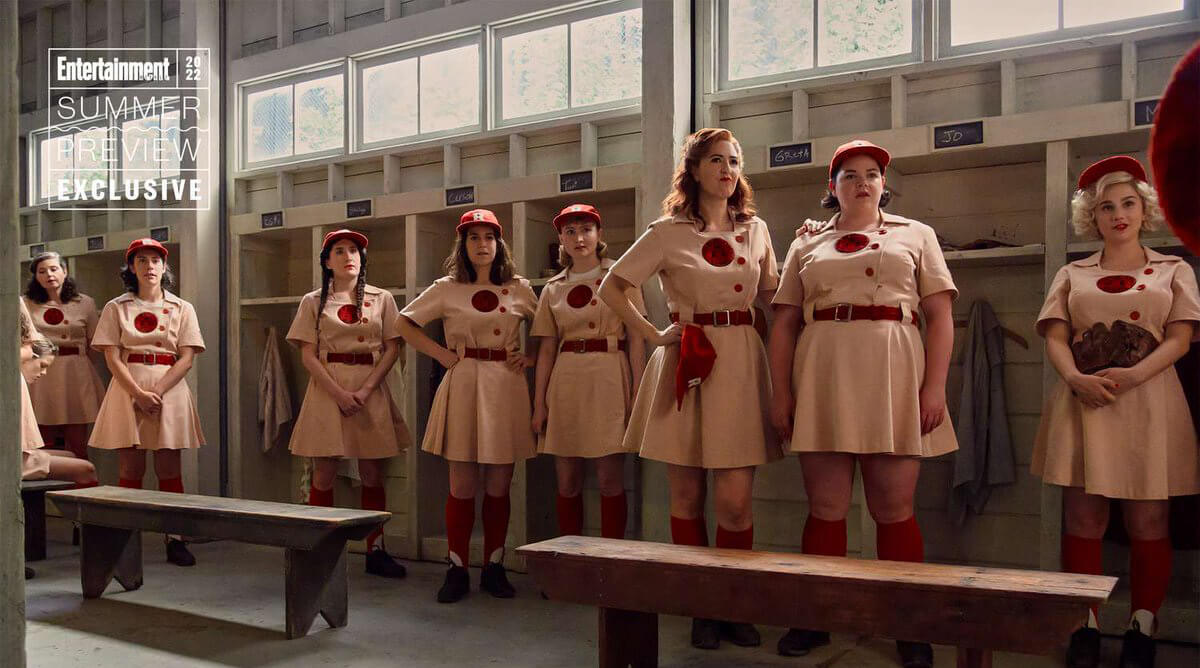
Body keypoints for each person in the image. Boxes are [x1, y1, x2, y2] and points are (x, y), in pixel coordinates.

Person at [767, 139, 958, 667]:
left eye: (871, 173)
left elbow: (940, 316)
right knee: (825, 506)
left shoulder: (916, 235)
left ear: (883, 183)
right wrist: (781, 391)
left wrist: (934, 386)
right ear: (832, 187)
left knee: (894, 507)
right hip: (823, 368)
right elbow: (783, 322)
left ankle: (907, 622)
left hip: (895, 369)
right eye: (849, 174)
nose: (861, 182)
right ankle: (816, 615)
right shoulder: (806, 243)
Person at [599, 128, 780, 650]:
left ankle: (734, 603)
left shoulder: (757, 229)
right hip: (688, 356)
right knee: (685, 493)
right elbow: (613, 286)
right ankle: (700, 606)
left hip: (742, 358)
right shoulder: (666, 231)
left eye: (735, 161)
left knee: (736, 502)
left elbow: (774, 295)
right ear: (694, 169)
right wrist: (654, 334)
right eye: (717, 160)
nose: (728, 169)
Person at [1032, 156, 1200, 668]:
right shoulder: (1072, 272)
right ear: (1093, 217)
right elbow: (1057, 335)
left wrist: (1134, 375)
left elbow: (1182, 337)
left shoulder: (1174, 269)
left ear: (1143, 209)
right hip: (1084, 401)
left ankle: (1142, 628)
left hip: (1149, 401)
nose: (1118, 214)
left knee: (1150, 517)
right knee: (1084, 516)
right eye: (1106, 207)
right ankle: (1084, 624)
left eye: (1127, 203)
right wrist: (1075, 378)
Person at [397, 209, 537, 603]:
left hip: (506, 386)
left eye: (488, 237)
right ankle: (456, 568)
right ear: (463, 244)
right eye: (473, 238)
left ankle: (494, 566)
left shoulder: (520, 288)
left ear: (499, 243)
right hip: (463, 381)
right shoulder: (446, 287)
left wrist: (530, 358)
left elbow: (548, 331)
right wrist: (440, 355)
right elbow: (403, 324)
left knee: (499, 484)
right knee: (461, 484)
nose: (482, 245)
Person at [286, 228, 412, 578]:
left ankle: (376, 549)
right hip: (328, 389)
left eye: (354, 250)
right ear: (327, 262)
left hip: (368, 388)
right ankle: (321, 551)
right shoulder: (313, 301)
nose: (348, 256)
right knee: (324, 471)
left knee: (373, 472)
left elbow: (392, 347)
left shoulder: (382, 298)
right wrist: (339, 393)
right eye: (339, 251)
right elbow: (308, 355)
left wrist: (367, 389)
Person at [531, 204, 646, 540]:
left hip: (610, 374)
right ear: (561, 240)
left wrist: (638, 391)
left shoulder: (621, 278)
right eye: (570, 232)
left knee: (610, 477)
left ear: (599, 235)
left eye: (586, 229)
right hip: (566, 379)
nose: (579, 238)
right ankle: (570, 560)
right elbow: (547, 347)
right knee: (567, 479)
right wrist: (539, 404)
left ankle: (610, 563)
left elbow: (637, 337)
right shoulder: (553, 287)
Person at [89, 238, 205, 566]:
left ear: (164, 266)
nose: (149, 266)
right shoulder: (116, 307)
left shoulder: (183, 308)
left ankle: (175, 538)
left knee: (169, 468)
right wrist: (138, 394)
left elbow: (187, 357)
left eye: (155, 260)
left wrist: (159, 391)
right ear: (131, 267)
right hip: (128, 387)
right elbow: (111, 356)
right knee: (131, 467)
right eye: (141, 260)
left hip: (170, 385)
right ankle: (129, 538)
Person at [22, 251, 106, 460]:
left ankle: (79, 488)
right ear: (35, 276)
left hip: (75, 372)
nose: (49, 275)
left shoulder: (85, 302)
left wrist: (79, 362)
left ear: (65, 271)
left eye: (54, 269)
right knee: (41, 440)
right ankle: (44, 490)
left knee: (78, 441)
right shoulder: (25, 303)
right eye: (42, 271)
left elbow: (95, 342)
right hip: (40, 374)